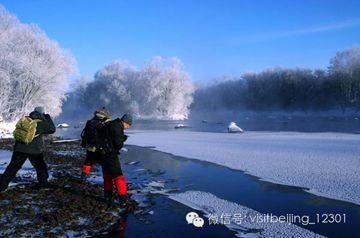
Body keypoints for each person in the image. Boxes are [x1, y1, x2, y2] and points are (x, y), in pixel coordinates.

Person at [0, 107, 56, 192]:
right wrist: (47, 117)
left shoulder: (26, 119)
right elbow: (52, 129)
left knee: (13, 167)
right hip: (34, 150)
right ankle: (43, 184)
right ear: (42, 113)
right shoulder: (42, 122)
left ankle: (2, 186)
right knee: (40, 167)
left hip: (19, 148)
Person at [99, 113, 132, 207]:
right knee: (118, 177)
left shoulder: (111, 123)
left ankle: (108, 197)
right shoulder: (118, 128)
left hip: (102, 154)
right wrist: (122, 139)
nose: (128, 127)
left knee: (107, 176)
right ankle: (123, 200)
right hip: (110, 155)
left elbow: (108, 137)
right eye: (129, 125)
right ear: (125, 122)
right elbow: (118, 144)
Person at [80, 108, 111, 181]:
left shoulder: (90, 121)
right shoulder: (105, 121)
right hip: (100, 146)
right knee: (105, 163)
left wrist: (84, 144)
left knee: (88, 162)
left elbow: (85, 134)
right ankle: (107, 179)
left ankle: (83, 176)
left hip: (90, 146)